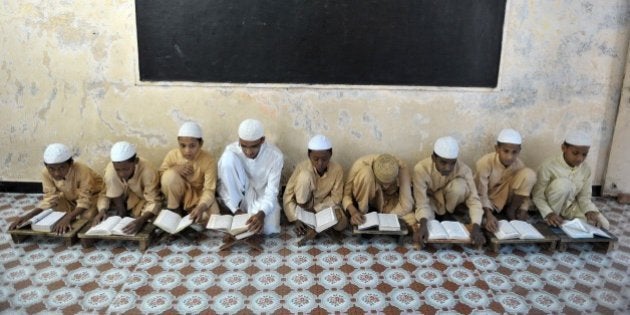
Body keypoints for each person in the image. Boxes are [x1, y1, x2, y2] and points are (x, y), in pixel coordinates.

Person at [9, 143, 104, 235]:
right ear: (46, 166)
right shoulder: (45, 173)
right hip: (70, 198)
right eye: (51, 169)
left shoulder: (82, 170)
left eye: (61, 168)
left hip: (93, 196)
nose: (56, 173)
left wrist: (68, 218)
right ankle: (70, 216)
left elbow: (85, 199)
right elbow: (50, 198)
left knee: (87, 217)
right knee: (56, 211)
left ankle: (72, 217)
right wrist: (28, 216)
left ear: (70, 163)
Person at [413, 136, 485, 248]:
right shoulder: (421, 169)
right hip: (432, 203)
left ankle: (449, 214)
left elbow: (474, 200)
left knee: (459, 186)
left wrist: (476, 227)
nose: (448, 168)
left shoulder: (464, 169)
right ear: (433, 158)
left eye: (452, 163)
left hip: (450, 202)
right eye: (443, 162)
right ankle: (438, 219)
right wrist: (423, 224)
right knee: (427, 225)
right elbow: (422, 202)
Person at [217, 118, 283, 240]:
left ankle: (250, 217)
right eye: (244, 146)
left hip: (262, 196)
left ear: (262, 140)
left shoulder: (275, 156)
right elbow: (224, 186)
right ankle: (240, 213)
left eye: (253, 146)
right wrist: (235, 210)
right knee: (227, 160)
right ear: (239, 141)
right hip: (241, 196)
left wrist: (262, 214)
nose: (248, 151)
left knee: (269, 229)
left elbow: (272, 191)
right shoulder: (231, 151)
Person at [532, 130, 610, 229]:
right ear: (563, 148)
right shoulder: (548, 165)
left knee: (602, 224)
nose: (579, 159)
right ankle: (550, 220)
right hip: (549, 207)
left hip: (570, 207)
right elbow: (537, 195)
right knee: (564, 184)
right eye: (575, 153)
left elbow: (584, 197)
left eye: (584, 154)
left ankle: (563, 221)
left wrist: (589, 210)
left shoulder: (586, 169)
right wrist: (549, 213)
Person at [283, 134, 347, 245]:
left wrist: (316, 209)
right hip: (303, 208)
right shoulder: (301, 167)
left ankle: (316, 225)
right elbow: (288, 195)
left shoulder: (337, 169)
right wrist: (296, 218)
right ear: (309, 155)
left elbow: (336, 198)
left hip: (323, 208)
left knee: (341, 223)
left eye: (324, 159)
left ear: (330, 154)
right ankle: (308, 222)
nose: (320, 163)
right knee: (304, 176)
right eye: (316, 159)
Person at [342, 153, 418, 242]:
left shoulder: (401, 167)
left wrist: (388, 217)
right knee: (366, 173)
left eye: (389, 183)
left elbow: (407, 204)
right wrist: (354, 212)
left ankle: (377, 223)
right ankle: (363, 216)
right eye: (382, 182)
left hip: (386, 202)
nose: (386, 186)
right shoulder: (360, 164)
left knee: (412, 219)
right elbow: (346, 195)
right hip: (364, 201)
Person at [474, 129, 536, 233]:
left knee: (529, 174)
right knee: (484, 220)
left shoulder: (519, 164)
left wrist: (524, 209)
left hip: (507, 200)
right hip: (489, 201)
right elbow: (481, 192)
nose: (510, 157)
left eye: (514, 152)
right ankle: (487, 213)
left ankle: (511, 210)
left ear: (519, 151)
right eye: (506, 151)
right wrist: (489, 215)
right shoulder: (485, 162)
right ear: (497, 149)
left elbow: (525, 190)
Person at [93, 141, 162, 234]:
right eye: (118, 170)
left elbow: (153, 200)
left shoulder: (148, 171)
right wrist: (102, 211)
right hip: (121, 203)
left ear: (135, 161)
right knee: (102, 216)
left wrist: (141, 220)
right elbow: (107, 193)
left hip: (142, 200)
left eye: (126, 169)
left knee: (153, 219)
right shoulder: (111, 171)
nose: (122, 174)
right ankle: (122, 215)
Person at [160, 122, 219, 225]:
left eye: (192, 146)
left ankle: (191, 214)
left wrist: (201, 207)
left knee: (213, 219)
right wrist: (175, 169)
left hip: (199, 197)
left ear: (200, 144)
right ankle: (175, 210)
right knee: (169, 176)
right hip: (179, 197)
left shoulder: (208, 160)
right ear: (178, 143)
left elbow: (209, 190)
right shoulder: (172, 155)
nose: (187, 151)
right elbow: (161, 176)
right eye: (183, 146)